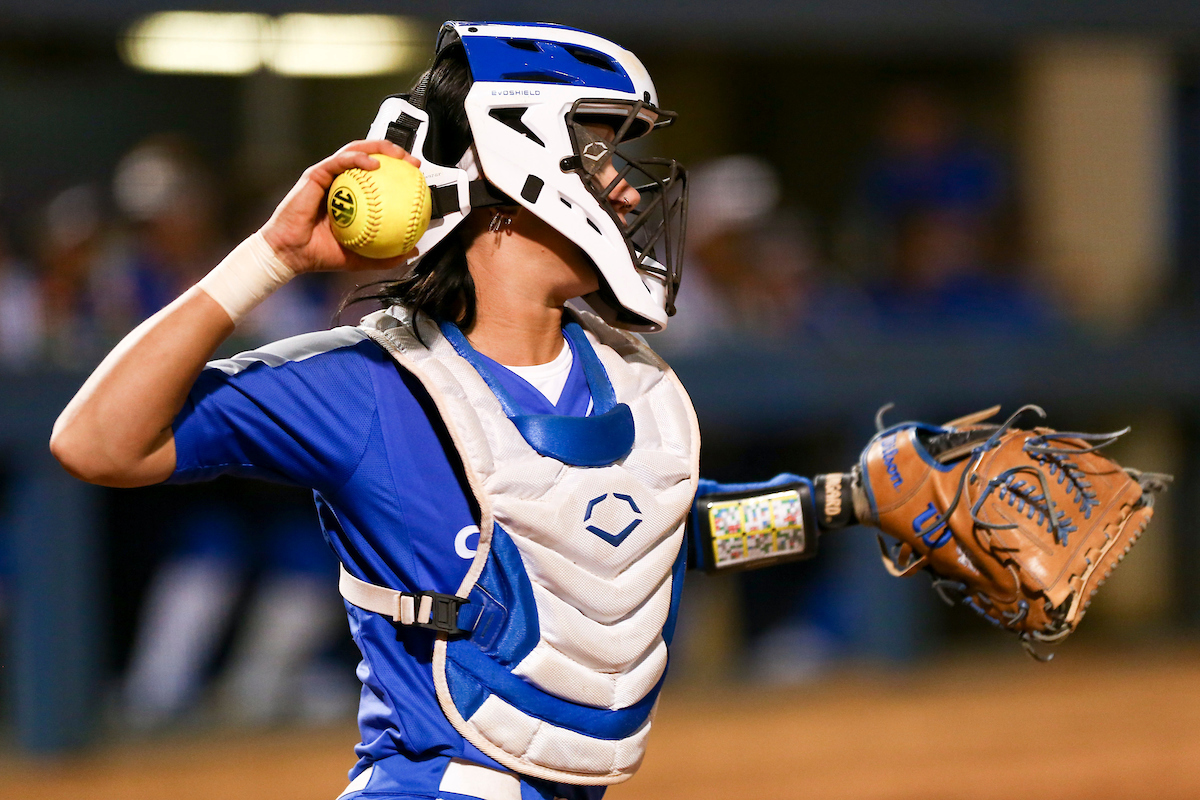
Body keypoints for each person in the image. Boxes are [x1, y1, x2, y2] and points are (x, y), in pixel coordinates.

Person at [51, 21, 825, 800]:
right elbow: (97, 443)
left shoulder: (630, 378)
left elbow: (654, 539)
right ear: (517, 164)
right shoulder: (371, 382)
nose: (625, 188)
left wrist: (838, 505)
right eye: (595, 155)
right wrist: (271, 257)